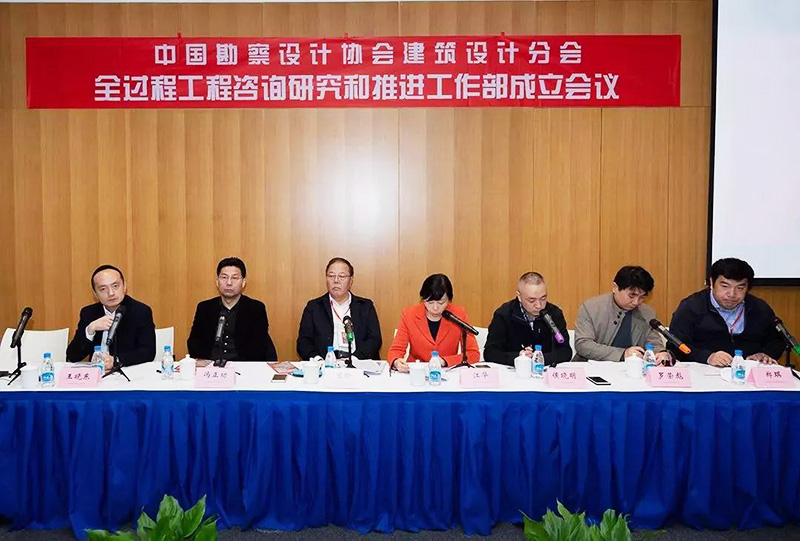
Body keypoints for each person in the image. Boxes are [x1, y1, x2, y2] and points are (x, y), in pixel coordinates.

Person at [668, 258, 783, 366]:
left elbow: (778, 340)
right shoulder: (692, 307)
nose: (732, 294)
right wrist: (707, 357)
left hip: (747, 371)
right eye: (725, 286)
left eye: (740, 288)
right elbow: (676, 344)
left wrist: (765, 354)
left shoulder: (759, 308)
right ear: (712, 283)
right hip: (703, 371)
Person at [573, 265, 671, 363]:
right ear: (615, 288)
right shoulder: (591, 308)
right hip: (592, 367)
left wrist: (661, 353)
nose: (636, 302)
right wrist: (622, 354)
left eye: (642, 297)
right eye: (632, 295)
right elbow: (583, 345)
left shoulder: (647, 313)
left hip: (633, 369)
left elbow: (654, 344)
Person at [66, 264, 155, 370]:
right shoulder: (89, 313)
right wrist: (90, 331)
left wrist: (116, 360)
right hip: (97, 373)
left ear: (124, 287)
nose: (111, 293)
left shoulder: (140, 311)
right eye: (103, 289)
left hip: (128, 371)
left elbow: (148, 352)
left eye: (115, 286)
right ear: (95, 294)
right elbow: (73, 356)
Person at [187, 257, 277, 361]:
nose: (229, 282)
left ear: (243, 282)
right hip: (211, 365)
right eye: (224, 277)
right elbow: (194, 343)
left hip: (243, 366)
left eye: (234, 278)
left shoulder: (256, 309)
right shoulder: (205, 308)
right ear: (217, 282)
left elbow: (258, 347)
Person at [388, 273, 480, 372]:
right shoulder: (409, 315)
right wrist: (396, 362)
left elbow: (473, 353)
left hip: (446, 371)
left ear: (449, 300)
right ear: (423, 299)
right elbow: (396, 350)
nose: (435, 308)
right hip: (417, 371)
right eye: (430, 302)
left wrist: (444, 361)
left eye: (441, 303)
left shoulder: (458, 314)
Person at [296, 257, 382, 360]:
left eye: (342, 276)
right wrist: (318, 359)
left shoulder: (365, 307)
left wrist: (355, 360)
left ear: (351, 280)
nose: (336, 280)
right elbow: (303, 342)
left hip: (358, 363)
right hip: (325, 364)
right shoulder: (314, 307)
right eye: (331, 276)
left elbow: (374, 340)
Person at [484, 272, 572, 366]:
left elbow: (566, 351)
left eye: (543, 298)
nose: (538, 305)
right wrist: (518, 357)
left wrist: (539, 358)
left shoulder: (554, 314)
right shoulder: (504, 314)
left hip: (545, 369)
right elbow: (490, 353)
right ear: (519, 296)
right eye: (532, 300)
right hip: (514, 371)